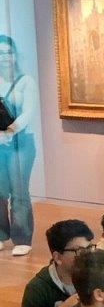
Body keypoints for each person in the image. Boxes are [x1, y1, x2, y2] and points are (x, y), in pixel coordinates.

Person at [0, 34, 38, 257]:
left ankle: (22, 238)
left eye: (8, 52)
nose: (4, 57)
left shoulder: (26, 81)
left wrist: (9, 131)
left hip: (21, 143)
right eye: (0, 53)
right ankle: (1, 234)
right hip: (0, 142)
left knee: (19, 191)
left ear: (14, 55)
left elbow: (28, 113)